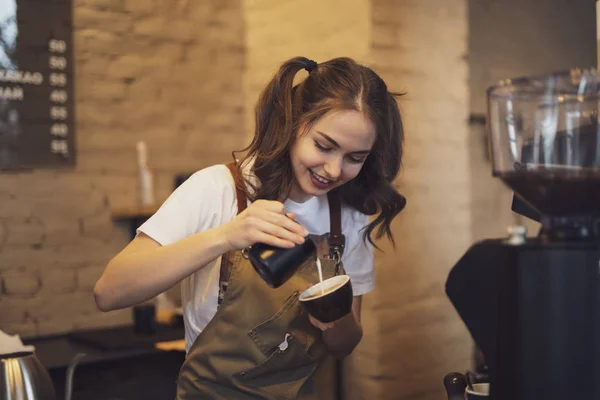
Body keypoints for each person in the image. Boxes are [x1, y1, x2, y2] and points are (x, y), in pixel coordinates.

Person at [94, 56, 407, 399]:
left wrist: (335, 318)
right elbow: (110, 292)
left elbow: (345, 345)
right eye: (324, 146)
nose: (333, 170)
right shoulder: (219, 189)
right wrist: (225, 237)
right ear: (293, 123)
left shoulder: (347, 215)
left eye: (355, 158)